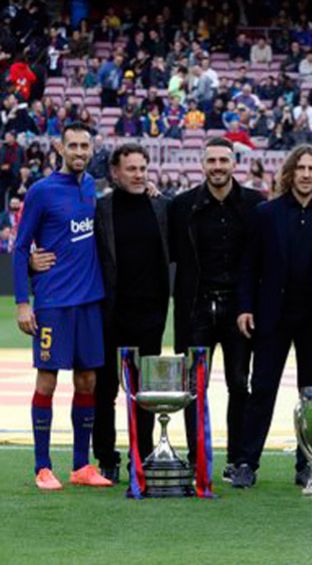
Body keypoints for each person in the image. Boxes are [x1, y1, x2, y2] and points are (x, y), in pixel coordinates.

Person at [30, 143, 171, 483]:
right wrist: (32, 263)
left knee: (145, 394)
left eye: (142, 168)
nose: (138, 175)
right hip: (107, 313)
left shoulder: (162, 207)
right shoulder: (99, 207)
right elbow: (66, 240)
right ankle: (105, 457)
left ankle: (144, 454)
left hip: (151, 316)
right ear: (115, 173)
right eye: (131, 169)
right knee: (103, 389)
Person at [230, 145, 312, 488]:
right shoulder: (266, 214)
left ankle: (308, 465)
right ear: (289, 173)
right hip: (272, 318)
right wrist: (245, 307)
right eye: (300, 168)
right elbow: (248, 267)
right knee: (262, 390)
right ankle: (246, 462)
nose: (305, 174)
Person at [13, 123, 112, 490]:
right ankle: (42, 466)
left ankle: (81, 466)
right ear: (59, 147)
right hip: (53, 302)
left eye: (84, 146)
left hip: (89, 301)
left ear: (92, 148)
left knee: (88, 380)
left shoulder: (91, 188)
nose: (79, 152)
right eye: (72, 145)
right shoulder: (41, 191)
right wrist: (24, 303)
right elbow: (22, 246)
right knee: (48, 380)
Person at [168, 138, 265, 481]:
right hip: (196, 309)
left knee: (240, 385)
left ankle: (238, 461)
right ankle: (197, 459)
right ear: (202, 164)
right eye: (212, 161)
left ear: (234, 163)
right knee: (194, 388)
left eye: (224, 160)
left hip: (240, 311)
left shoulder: (255, 204)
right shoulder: (181, 206)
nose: (218, 166)